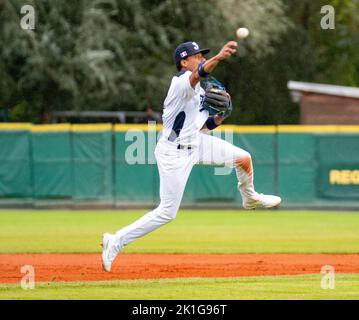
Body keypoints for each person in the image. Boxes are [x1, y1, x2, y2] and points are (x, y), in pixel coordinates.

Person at [101, 41, 281, 272]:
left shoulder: (199, 92)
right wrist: (219, 56)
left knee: (243, 158)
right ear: (184, 62)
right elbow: (199, 74)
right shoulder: (180, 84)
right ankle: (115, 241)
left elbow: (205, 125)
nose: (200, 58)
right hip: (173, 153)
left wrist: (222, 116)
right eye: (196, 55)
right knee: (167, 212)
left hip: (196, 143)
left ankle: (250, 198)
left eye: (201, 55)